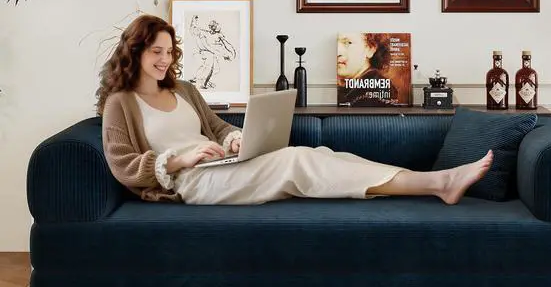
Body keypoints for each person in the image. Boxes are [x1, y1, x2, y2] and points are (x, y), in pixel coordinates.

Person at [96, 15, 493, 206]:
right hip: (192, 182)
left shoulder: (184, 90)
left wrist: (233, 139)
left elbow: (217, 127)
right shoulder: (121, 103)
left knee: (320, 155)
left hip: (220, 166)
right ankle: (437, 183)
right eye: (156, 52)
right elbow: (123, 165)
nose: (165, 60)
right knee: (296, 161)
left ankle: (432, 182)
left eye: (169, 52)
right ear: (136, 51)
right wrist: (180, 159)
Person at [337, 33, 400, 107]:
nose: (338, 52)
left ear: (370, 49)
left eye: (347, 43)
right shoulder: (345, 87)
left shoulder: (377, 90)